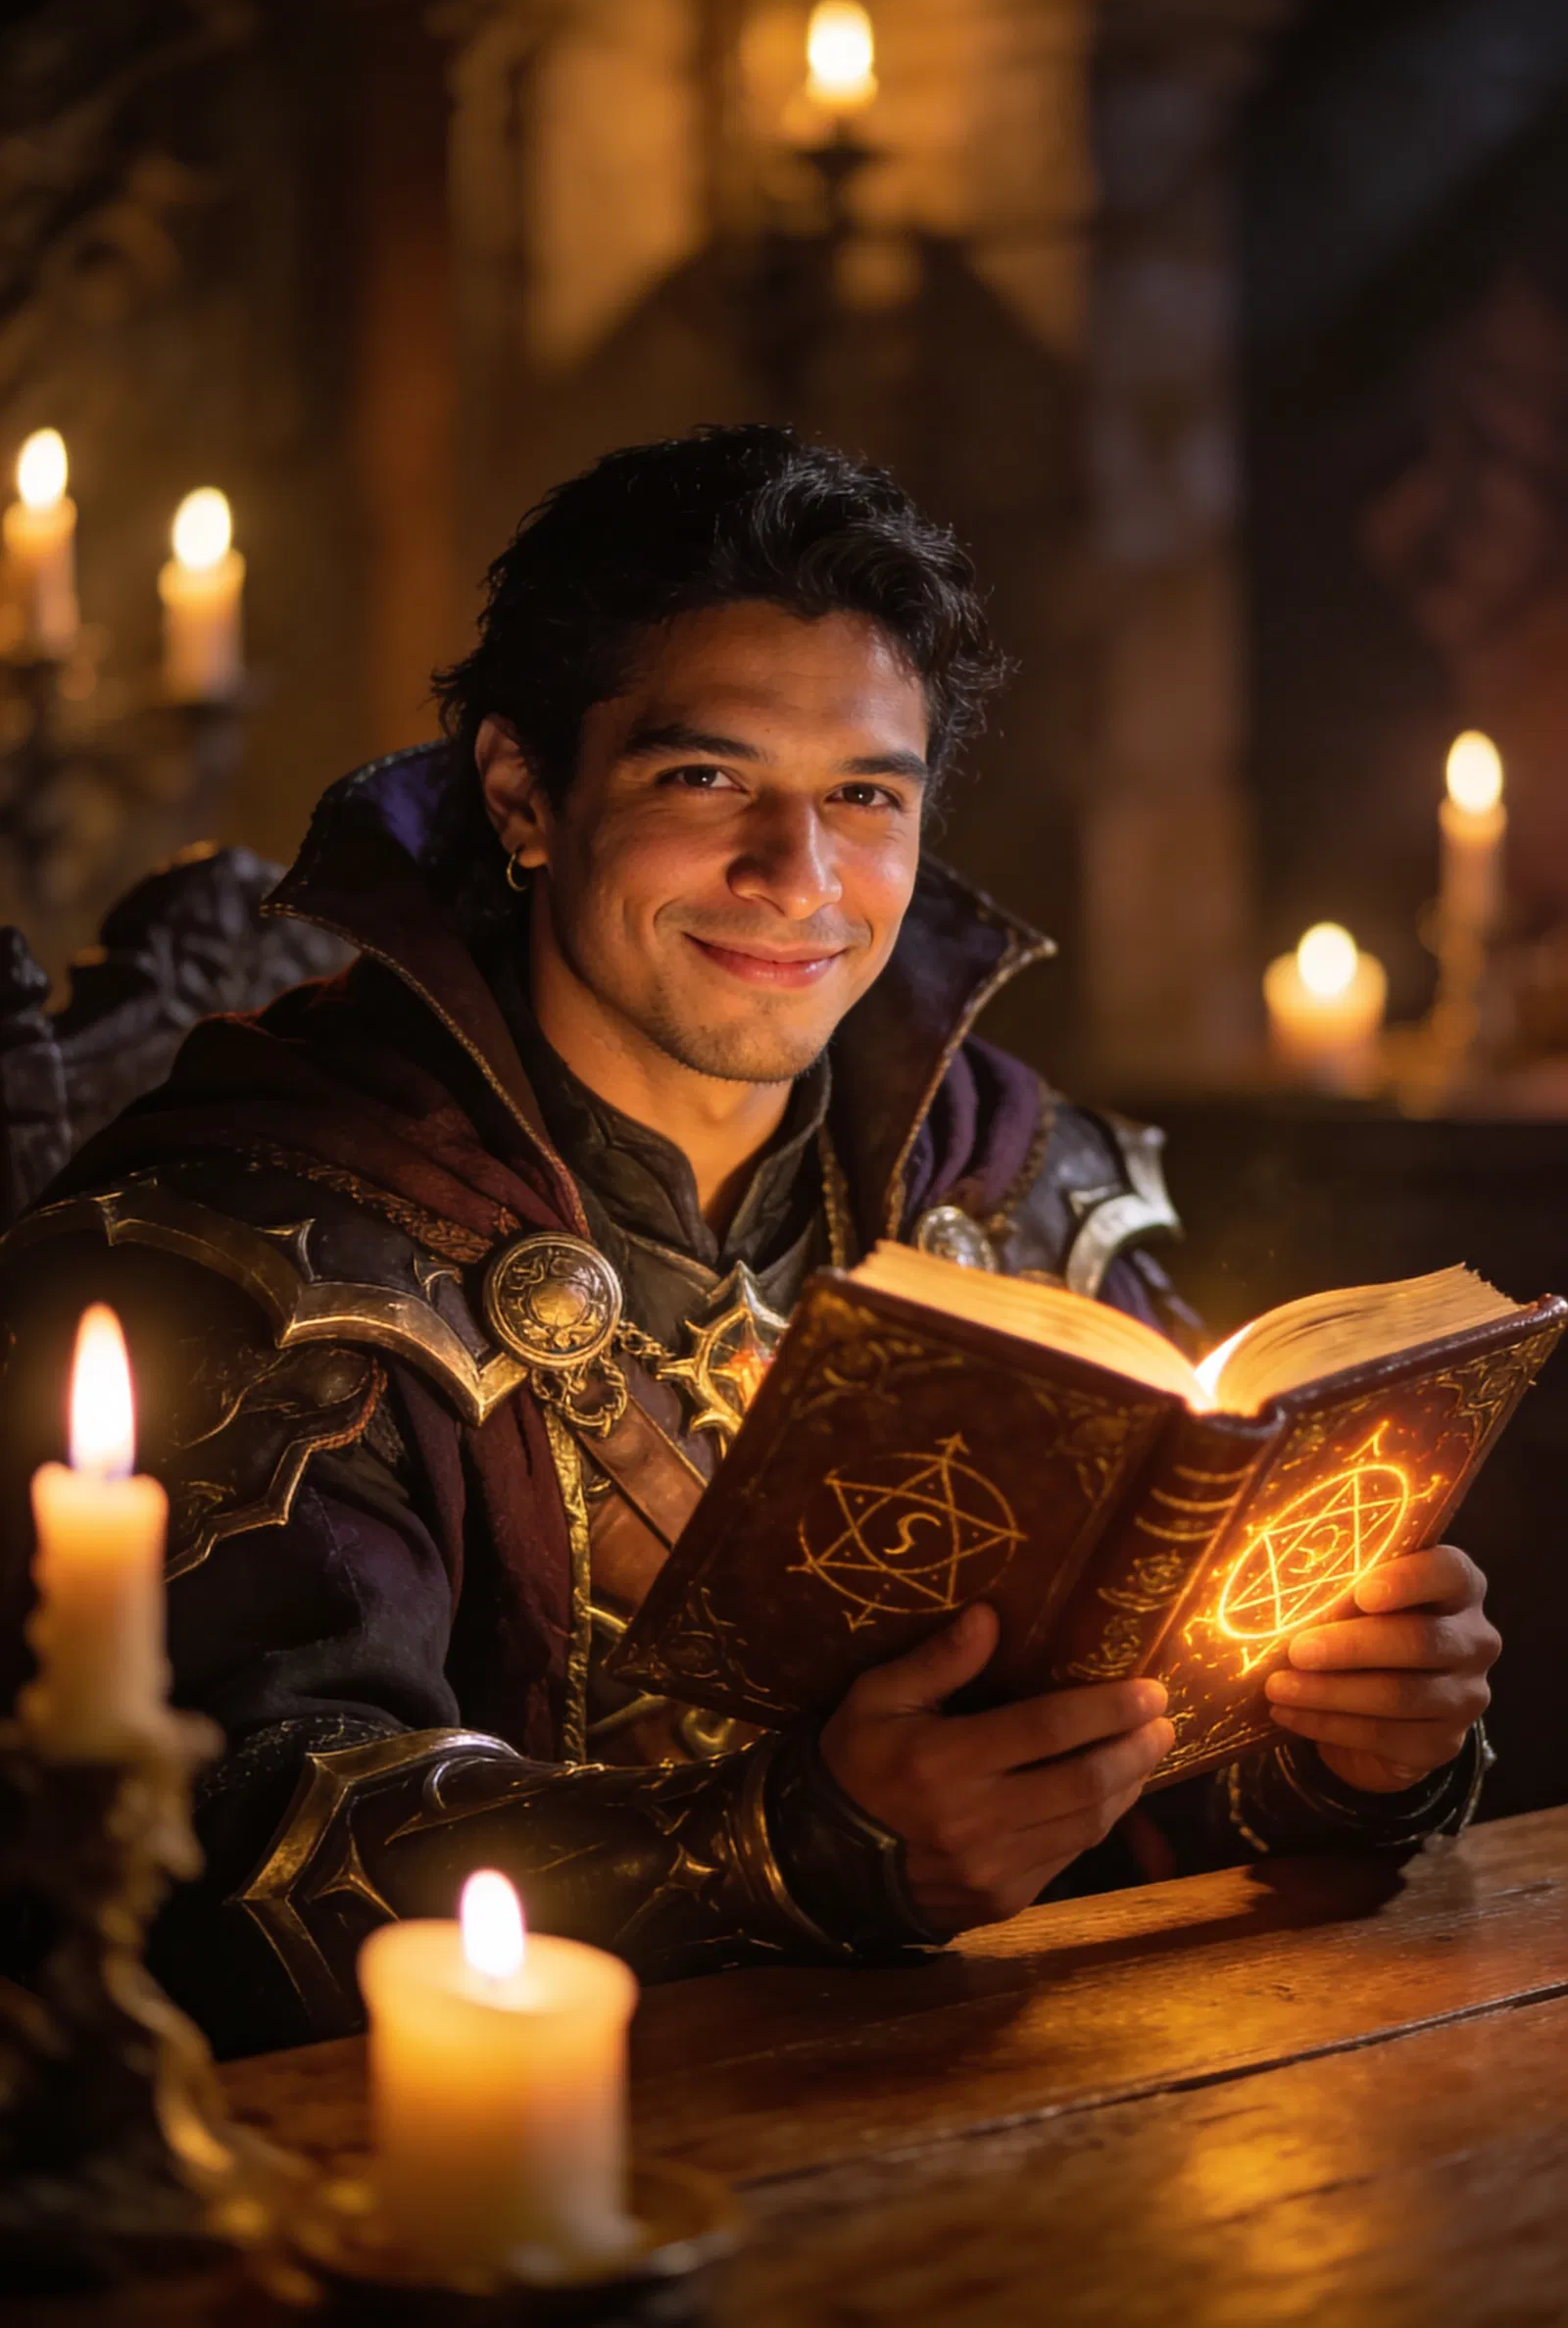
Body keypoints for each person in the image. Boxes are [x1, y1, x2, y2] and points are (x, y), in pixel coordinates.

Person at [0, 426, 1498, 2056]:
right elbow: (228, 1870)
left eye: (866, 796)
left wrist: (1343, 1739)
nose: (801, 877)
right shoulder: (268, 1245)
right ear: (524, 793)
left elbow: (1167, 1783)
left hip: (1045, 2113)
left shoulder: (1019, 1189)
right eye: (704, 779)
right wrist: (795, 1848)